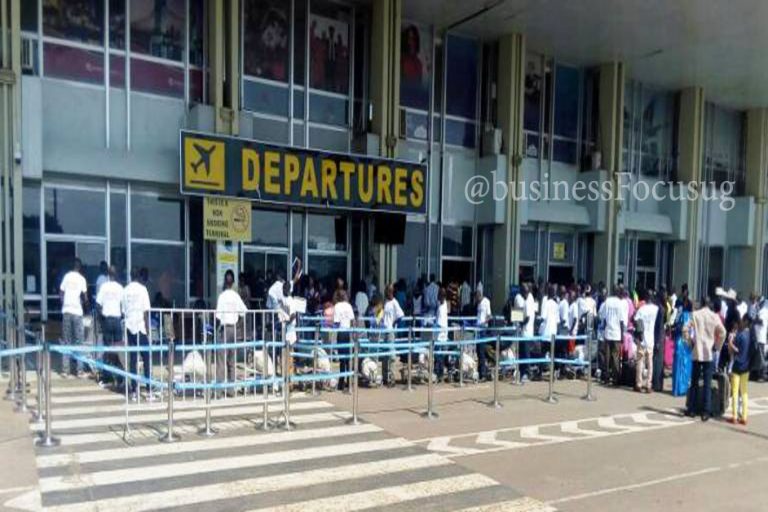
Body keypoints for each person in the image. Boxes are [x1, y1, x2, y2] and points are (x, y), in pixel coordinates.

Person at [684, 299, 726, 421]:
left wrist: (690, 342)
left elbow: (685, 329)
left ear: (702, 304)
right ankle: (706, 412)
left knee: (694, 382)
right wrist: (716, 346)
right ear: (710, 305)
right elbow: (723, 332)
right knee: (707, 383)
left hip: (697, 351)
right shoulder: (714, 316)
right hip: (708, 353)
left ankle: (691, 409)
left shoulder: (695, 314)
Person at [215, 270, 247, 397]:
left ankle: (218, 390)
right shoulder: (235, 296)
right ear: (233, 282)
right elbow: (244, 312)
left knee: (221, 360)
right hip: (233, 329)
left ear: (224, 281)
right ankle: (231, 390)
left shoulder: (222, 296)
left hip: (224, 329)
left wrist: (215, 330)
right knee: (232, 361)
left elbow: (218, 316)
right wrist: (238, 325)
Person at [123, 268, 152, 398]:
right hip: (140, 327)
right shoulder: (142, 289)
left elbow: (124, 310)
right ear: (139, 276)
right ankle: (148, 387)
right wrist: (148, 329)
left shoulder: (125, 290)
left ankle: (134, 389)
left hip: (129, 327)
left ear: (130, 276)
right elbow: (145, 312)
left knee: (133, 358)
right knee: (146, 357)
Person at [95, 265, 124, 388]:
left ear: (108, 274)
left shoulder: (104, 287)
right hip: (117, 320)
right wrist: (121, 316)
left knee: (107, 349)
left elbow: (97, 305)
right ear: (115, 274)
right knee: (118, 349)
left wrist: (102, 319)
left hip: (107, 320)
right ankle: (120, 377)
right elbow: (124, 306)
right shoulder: (120, 287)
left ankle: (107, 377)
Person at [59, 259, 89, 377]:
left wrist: (64, 304)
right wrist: (86, 308)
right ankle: (79, 370)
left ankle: (65, 371)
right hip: (77, 312)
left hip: (66, 311)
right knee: (79, 341)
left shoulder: (66, 277)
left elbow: (61, 292)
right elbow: (85, 297)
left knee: (66, 341)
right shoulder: (82, 279)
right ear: (80, 267)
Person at [598, 285, 628, 386]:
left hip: (608, 332)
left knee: (607, 356)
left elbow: (604, 318)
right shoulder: (619, 303)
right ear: (618, 292)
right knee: (615, 356)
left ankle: (606, 377)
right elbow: (622, 321)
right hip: (616, 333)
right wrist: (622, 335)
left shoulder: (607, 302)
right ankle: (615, 378)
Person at [633, 290, 659, 393]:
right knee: (650, 362)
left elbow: (635, 320)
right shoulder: (656, 309)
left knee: (640, 361)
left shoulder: (641, 309)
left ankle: (639, 384)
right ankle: (648, 385)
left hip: (642, 338)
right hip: (651, 339)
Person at [728, 316, 751, 425]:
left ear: (745, 321)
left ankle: (734, 416)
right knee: (744, 392)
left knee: (735, 392)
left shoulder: (740, 335)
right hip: (746, 367)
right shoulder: (751, 335)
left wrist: (731, 343)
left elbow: (736, 350)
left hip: (737, 366)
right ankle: (744, 417)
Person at [333, 289, 355, 390]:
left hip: (341, 333)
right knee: (348, 358)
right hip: (348, 332)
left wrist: (332, 328)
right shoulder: (349, 305)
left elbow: (336, 322)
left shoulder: (337, 306)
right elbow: (352, 320)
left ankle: (341, 383)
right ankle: (349, 381)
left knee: (342, 359)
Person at [382, 285, 405, 386]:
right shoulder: (384, 302)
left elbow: (401, 315)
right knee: (384, 356)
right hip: (383, 331)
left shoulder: (394, 302)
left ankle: (391, 378)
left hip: (390, 331)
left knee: (391, 356)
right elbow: (379, 315)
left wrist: (394, 322)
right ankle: (384, 377)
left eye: (388, 292)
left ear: (391, 292)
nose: (386, 293)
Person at [513, 283, 535, 381]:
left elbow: (528, 317)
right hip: (522, 332)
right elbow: (517, 314)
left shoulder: (529, 299)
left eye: (522, 292)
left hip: (527, 332)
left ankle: (526, 373)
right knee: (522, 353)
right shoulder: (521, 298)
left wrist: (520, 325)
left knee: (525, 353)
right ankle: (522, 373)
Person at [475, 287, 492, 380]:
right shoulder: (478, 304)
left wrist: (484, 323)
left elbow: (489, 316)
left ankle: (483, 374)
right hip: (478, 329)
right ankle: (479, 372)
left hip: (483, 329)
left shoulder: (486, 302)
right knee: (478, 351)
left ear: (480, 295)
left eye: (477, 297)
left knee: (481, 351)